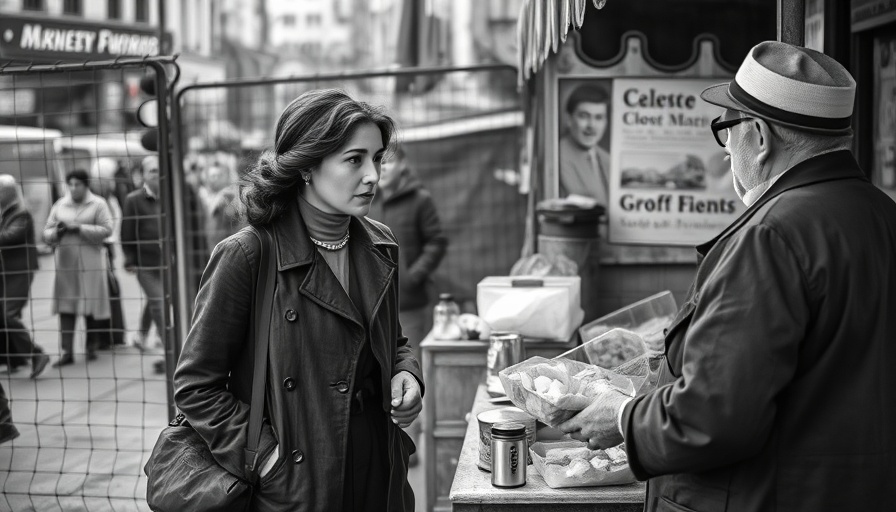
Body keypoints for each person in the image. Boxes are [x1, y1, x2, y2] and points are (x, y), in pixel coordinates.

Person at [557, 41, 896, 511]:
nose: (724, 152)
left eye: (726, 129)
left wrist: (624, 418)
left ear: (759, 137)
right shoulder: (884, 215)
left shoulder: (771, 236)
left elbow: (713, 416)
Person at [174, 89, 423, 511]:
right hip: (297, 477)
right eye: (354, 159)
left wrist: (408, 375)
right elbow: (196, 387)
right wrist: (266, 459)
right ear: (307, 165)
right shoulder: (248, 255)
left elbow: (393, 341)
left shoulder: (382, 244)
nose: (373, 175)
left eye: (377, 158)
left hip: (378, 466)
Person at [368, 146, 447, 465]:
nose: (382, 168)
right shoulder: (365, 198)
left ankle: (408, 445)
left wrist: (412, 276)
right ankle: (381, 440)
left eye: (389, 161)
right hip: (372, 301)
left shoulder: (420, 200)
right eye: (379, 161)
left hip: (409, 301)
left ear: (404, 165)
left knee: (407, 368)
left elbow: (437, 241)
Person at [43, 169, 114, 367]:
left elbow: (107, 229)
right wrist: (56, 232)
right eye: (70, 184)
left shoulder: (98, 204)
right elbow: (46, 232)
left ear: (86, 185)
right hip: (66, 265)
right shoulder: (60, 205)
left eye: (78, 184)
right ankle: (67, 351)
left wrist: (80, 228)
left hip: (91, 263)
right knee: (66, 307)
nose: (73, 188)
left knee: (89, 304)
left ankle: (91, 346)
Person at [0, 175, 49, 378]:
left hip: (19, 272)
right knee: (4, 315)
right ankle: (14, 358)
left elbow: (11, 237)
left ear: (8, 193)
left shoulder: (22, 214)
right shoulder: (6, 214)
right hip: (6, 272)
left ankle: (35, 354)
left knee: (8, 313)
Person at [120, 156, 166, 358]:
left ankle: (141, 335)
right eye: (152, 171)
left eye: (159, 170)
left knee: (155, 300)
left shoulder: (169, 197)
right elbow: (126, 232)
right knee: (158, 302)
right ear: (143, 175)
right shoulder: (133, 200)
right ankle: (171, 349)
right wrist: (130, 258)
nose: (156, 174)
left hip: (167, 263)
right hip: (144, 263)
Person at [558, 83, 610, 204]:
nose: (591, 125)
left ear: (606, 122)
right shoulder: (557, 157)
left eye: (598, 117)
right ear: (569, 119)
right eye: (584, 116)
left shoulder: (607, 159)